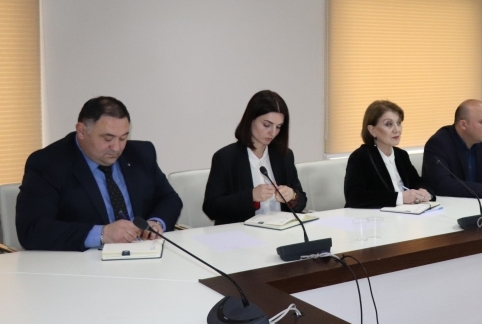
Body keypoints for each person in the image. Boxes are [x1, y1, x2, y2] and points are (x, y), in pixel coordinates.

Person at [15, 96, 182, 251]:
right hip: (82, 263)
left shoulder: (141, 154)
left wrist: (156, 222)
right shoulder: (48, 163)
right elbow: (32, 229)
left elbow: (169, 198)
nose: (116, 148)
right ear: (81, 131)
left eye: (123, 138)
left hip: (142, 254)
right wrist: (102, 234)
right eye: (107, 139)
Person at [203, 90, 307, 225]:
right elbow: (211, 208)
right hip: (241, 233)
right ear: (250, 119)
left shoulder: (284, 156)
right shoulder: (225, 158)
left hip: (281, 232)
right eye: (267, 125)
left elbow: (302, 200)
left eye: (278, 127)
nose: (273, 132)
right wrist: (251, 196)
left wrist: (292, 195)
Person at [344, 100, 432, 209]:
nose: (397, 130)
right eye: (389, 124)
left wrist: (423, 190)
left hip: (404, 213)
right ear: (372, 130)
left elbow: (418, 181)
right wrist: (400, 198)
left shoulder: (401, 155)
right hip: (372, 217)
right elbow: (354, 197)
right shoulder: (360, 157)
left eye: (398, 123)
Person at [421, 99, 482, 198]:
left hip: (480, 204)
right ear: (463, 125)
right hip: (450, 204)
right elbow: (442, 184)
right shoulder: (439, 143)